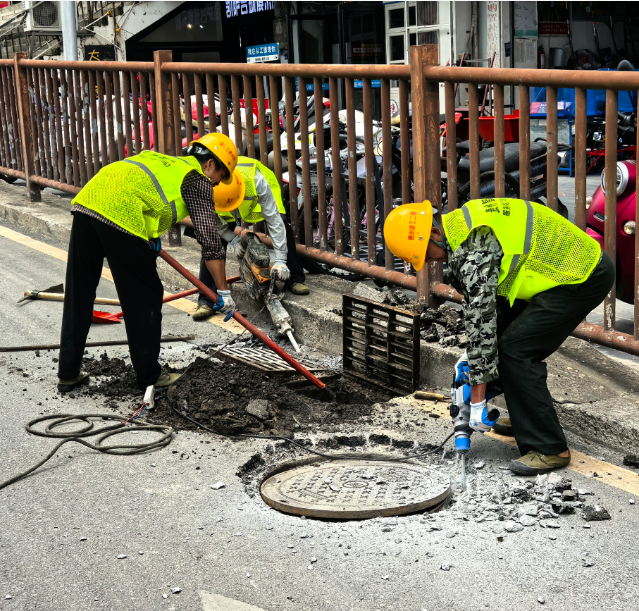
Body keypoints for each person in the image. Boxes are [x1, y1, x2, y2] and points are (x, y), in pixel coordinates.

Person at [384, 197, 614, 475]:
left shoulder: (474, 249)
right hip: (556, 272)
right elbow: (484, 317)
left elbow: (481, 322)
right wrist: (471, 360)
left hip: (582, 274)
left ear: (434, 232)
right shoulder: (460, 227)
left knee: (516, 350)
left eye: (426, 253)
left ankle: (550, 448)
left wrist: (478, 401)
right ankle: (527, 421)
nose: (432, 261)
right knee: (503, 342)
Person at [56, 133, 240, 393]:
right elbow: (210, 241)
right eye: (220, 176)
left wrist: (151, 235)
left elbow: (142, 192)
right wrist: (223, 291)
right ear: (210, 164)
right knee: (145, 297)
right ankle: (149, 375)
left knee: (79, 292)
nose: (217, 183)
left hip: (88, 202)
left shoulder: (164, 161)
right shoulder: (197, 179)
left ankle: (68, 373)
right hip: (121, 216)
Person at [183, 155, 309, 322]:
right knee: (212, 240)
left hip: (260, 189)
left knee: (282, 224)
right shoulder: (208, 185)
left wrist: (280, 260)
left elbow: (274, 221)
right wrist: (233, 240)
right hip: (221, 205)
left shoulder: (257, 180)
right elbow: (213, 221)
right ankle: (207, 299)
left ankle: (294, 277)